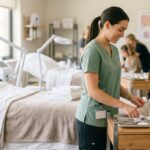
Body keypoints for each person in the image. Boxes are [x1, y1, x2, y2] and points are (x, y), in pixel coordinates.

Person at [75, 6, 145, 150]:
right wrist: (123, 105)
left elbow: (113, 82)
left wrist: (130, 97)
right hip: (92, 119)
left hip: (110, 117)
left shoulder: (113, 49)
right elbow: (93, 91)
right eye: (120, 29)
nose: (123, 34)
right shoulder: (92, 50)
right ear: (107, 25)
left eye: (124, 30)